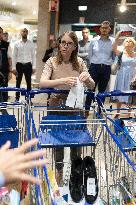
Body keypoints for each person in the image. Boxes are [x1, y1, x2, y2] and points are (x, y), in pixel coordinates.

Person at [40, 31, 95, 185]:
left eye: (69, 43)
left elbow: (92, 85)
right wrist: (62, 81)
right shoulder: (52, 61)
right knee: (57, 144)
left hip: (75, 111)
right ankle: (58, 174)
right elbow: (42, 82)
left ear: (75, 46)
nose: (64, 46)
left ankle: (75, 174)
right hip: (56, 108)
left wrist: (87, 78)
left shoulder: (80, 63)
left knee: (75, 145)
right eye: (62, 42)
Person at [85, 21, 115, 113]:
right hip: (94, 67)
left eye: (106, 28)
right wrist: (94, 65)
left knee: (102, 91)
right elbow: (90, 55)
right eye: (103, 28)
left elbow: (114, 56)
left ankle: (100, 111)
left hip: (106, 68)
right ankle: (86, 109)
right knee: (91, 89)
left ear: (109, 29)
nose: (104, 29)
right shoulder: (94, 40)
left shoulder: (113, 41)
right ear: (100, 29)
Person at [112, 34, 136, 118]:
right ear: (124, 44)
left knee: (130, 96)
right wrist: (117, 38)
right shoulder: (121, 53)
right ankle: (117, 112)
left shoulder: (135, 54)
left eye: (130, 41)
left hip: (132, 76)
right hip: (121, 75)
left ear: (133, 44)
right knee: (120, 94)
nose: (128, 42)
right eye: (127, 41)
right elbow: (114, 48)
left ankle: (129, 113)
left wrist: (135, 77)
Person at [12, 28, 36, 101]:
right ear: (21, 33)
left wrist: (34, 67)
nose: (24, 33)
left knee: (28, 82)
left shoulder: (31, 43)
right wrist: (13, 67)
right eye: (23, 31)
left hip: (28, 65)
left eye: (26, 32)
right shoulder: (16, 43)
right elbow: (14, 56)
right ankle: (17, 98)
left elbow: (33, 56)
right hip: (19, 65)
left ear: (27, 33)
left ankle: (28, 99)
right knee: (18, 82)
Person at [0, 27, 12, 102]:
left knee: (4, 91)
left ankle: (4, 110)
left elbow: (9, 58)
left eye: (0, 32)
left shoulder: (6, 45)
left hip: (3, 73)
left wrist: (10, 72)